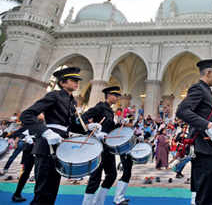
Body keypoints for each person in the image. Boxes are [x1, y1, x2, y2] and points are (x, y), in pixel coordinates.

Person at [19, 67, 91, 205]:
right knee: (42, 192)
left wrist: (89, 128)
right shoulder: (54, 95)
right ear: (63, 83)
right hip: (46, 147)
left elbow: (70, 126)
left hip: (60, 148)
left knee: (52, 191)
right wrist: (45, 132)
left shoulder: (72, 102)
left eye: (78, 80)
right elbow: (26, 115)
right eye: (73, 80)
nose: (77, 83)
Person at [176, 59, 212, 205]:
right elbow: (181, 111)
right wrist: (207, 125)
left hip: (209, 148)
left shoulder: (207, 91)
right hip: (202, 147)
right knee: (207, 195)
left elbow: (207, 116)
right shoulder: (198, 88)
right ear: (208, 72)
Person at [81, 86, 127, 205]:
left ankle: (98, 202)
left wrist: (120, 125)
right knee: (95, 177)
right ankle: (87, 203)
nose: (117, 98)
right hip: (98, 146)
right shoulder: (100, 107)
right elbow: (82, 118)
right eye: (115, 95)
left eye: (118, 96)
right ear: (108, 95)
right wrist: (93, 130)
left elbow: (110, 129)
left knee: (112, 175)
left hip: (107, 146)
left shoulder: (111, 111)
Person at [11, 113, 44, 202]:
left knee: (37, 174)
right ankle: (17, 194)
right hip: (30, 149)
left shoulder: (42, 122)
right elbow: (20, 133)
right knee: (28, 173)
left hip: (37, 148)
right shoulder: (32, 122)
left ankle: (36, 197)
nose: (42, 115)